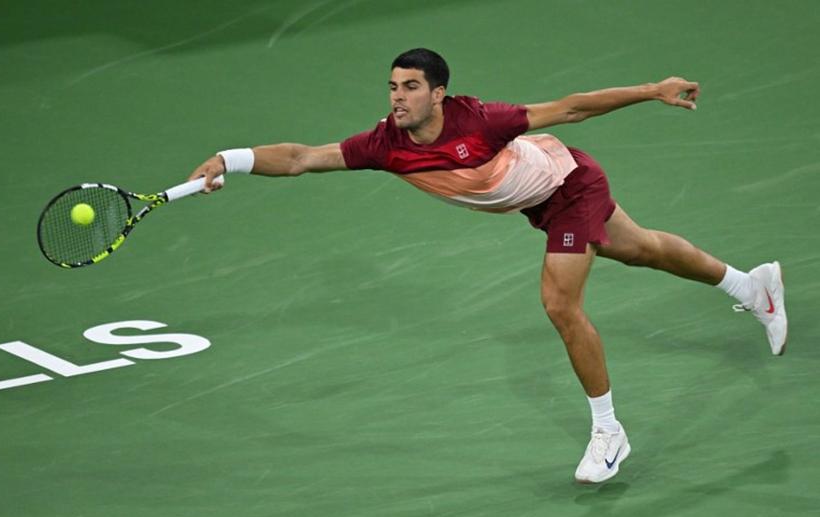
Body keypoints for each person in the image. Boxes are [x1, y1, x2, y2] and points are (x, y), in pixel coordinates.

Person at [189, 48, 787, 484]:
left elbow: (572, 108)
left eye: (411, 86)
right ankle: (752, 285)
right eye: (393, 85)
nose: (398, 96)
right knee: (645, 250)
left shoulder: (482, 120)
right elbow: (298, 159)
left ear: (439, 92)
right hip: (540, 199)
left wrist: (653, 88)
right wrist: (228, 158)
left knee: (559, 304)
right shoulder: (384, 144)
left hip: (570, 184)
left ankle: (609, 430)